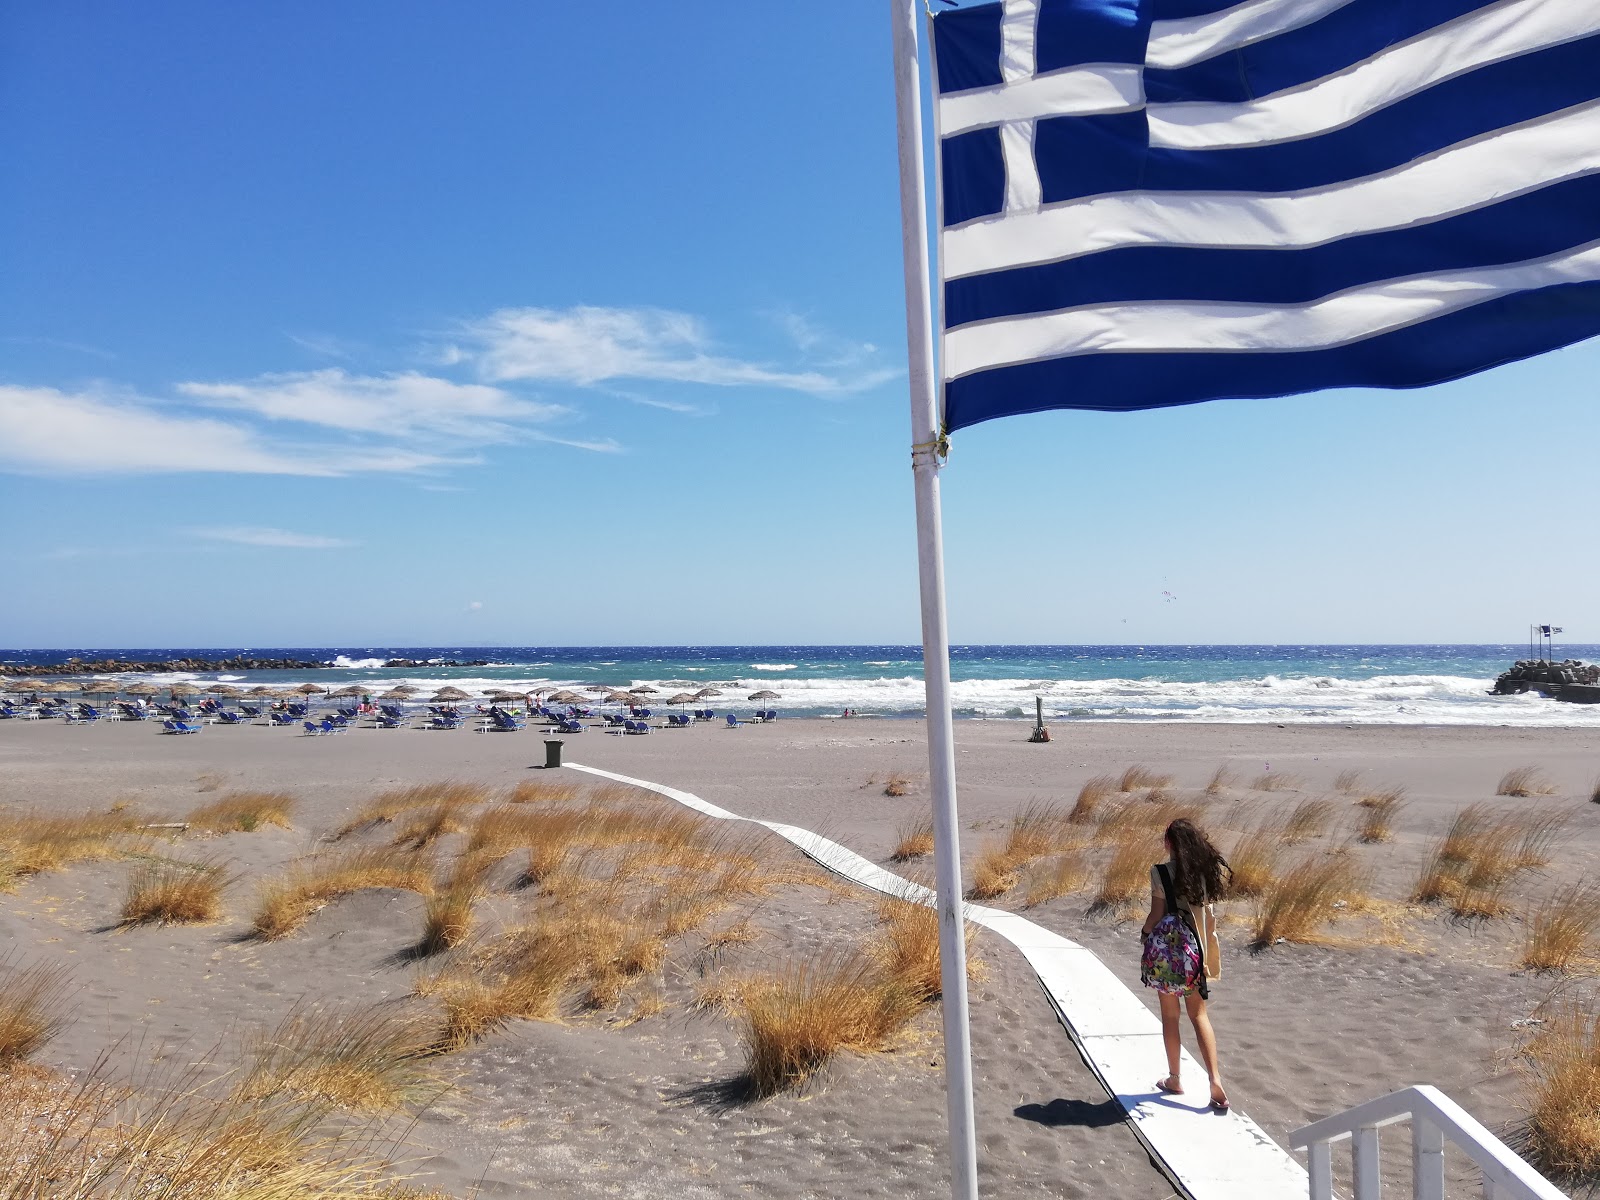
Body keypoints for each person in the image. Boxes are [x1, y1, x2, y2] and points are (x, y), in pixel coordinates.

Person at [1139, 817, 1230, 1112]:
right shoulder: (1203, 873)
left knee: (1170, 1016)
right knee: (1199, 1015)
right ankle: (1214, 1079)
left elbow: (1157, 914)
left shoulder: (1161, 872)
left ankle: (1175, 1078)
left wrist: (1144, 935)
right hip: (1196, 954)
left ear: (1170, 843)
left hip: (1169, 954)